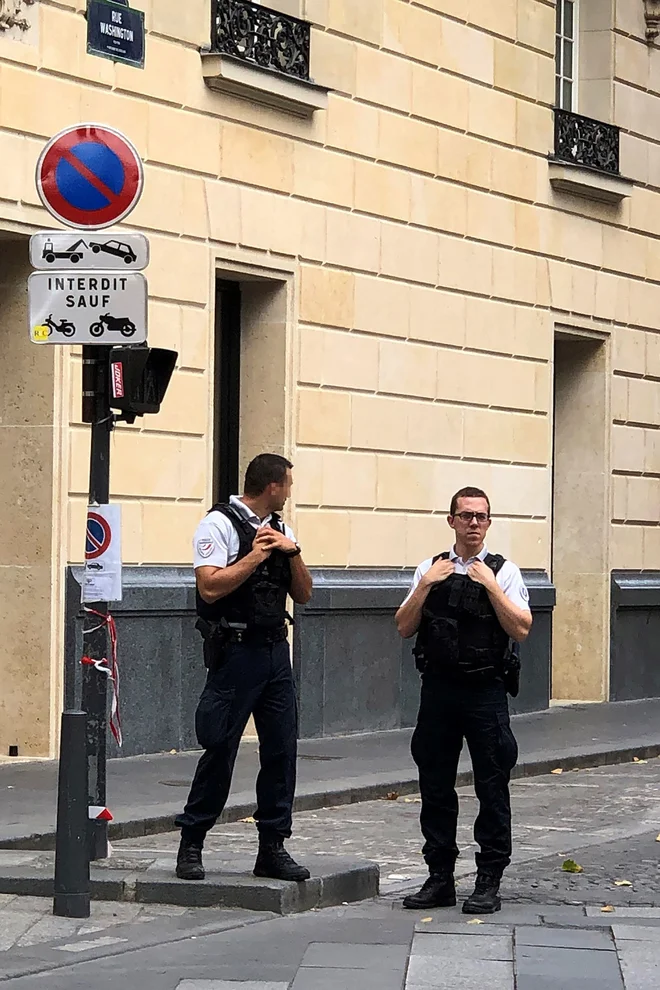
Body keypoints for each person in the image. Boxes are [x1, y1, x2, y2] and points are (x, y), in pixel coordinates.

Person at [174, 453, 313, 883]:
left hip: (275, 652)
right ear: (272, 486)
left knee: (281, 751)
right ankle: (192, 843)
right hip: (235, 652)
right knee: (220, 747)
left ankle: (272, 847)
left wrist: (292, 553)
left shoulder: (282, 529)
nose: (289, 491)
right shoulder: (217, 524)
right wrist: (256, 556)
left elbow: (304, 594)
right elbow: (210, 586)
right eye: (287, 484)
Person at [395, 486, 532, 915]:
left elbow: (522, 628)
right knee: (435, 786)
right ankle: (440, 878)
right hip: (438, 691)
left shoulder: (503, 571)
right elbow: (402, 626)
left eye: (481, 516)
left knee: (492, 786)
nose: (474, 523)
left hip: (485, 692)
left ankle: (488, 878)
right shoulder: (429, 568)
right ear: (451, 520)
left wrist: (491, 587)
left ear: (489, 523)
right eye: (466, 515)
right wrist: (425, 586)